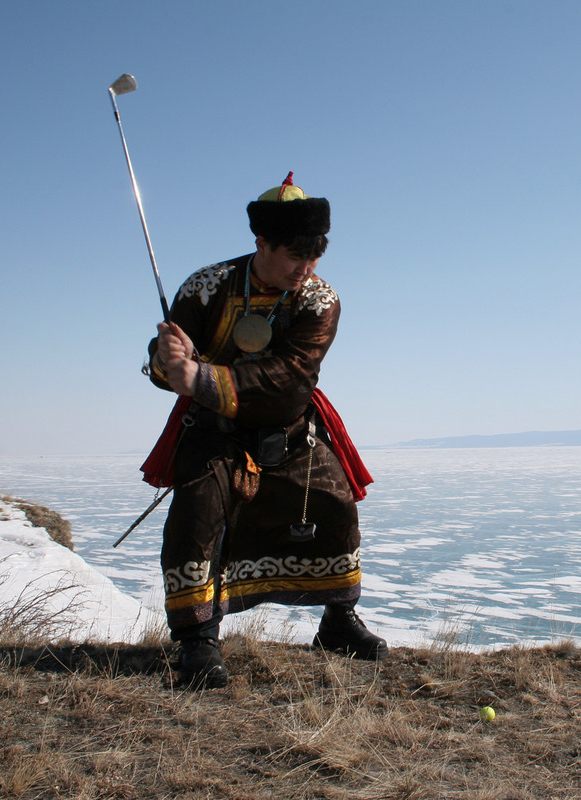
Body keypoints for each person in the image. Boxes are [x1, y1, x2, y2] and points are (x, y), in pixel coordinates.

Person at [144, 173, 385, 688]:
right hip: (213, 431)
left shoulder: (320, 300)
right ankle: (197, 641)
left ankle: (338, 624)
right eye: (295, 255)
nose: (306, 268)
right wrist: (166, 361)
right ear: (261, 244)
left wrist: (201, 376)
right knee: (197, 517)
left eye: (314, 256)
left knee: (334, 504)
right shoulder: (204, 288)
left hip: (291, 429)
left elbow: (292, 373)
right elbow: (166, 365)